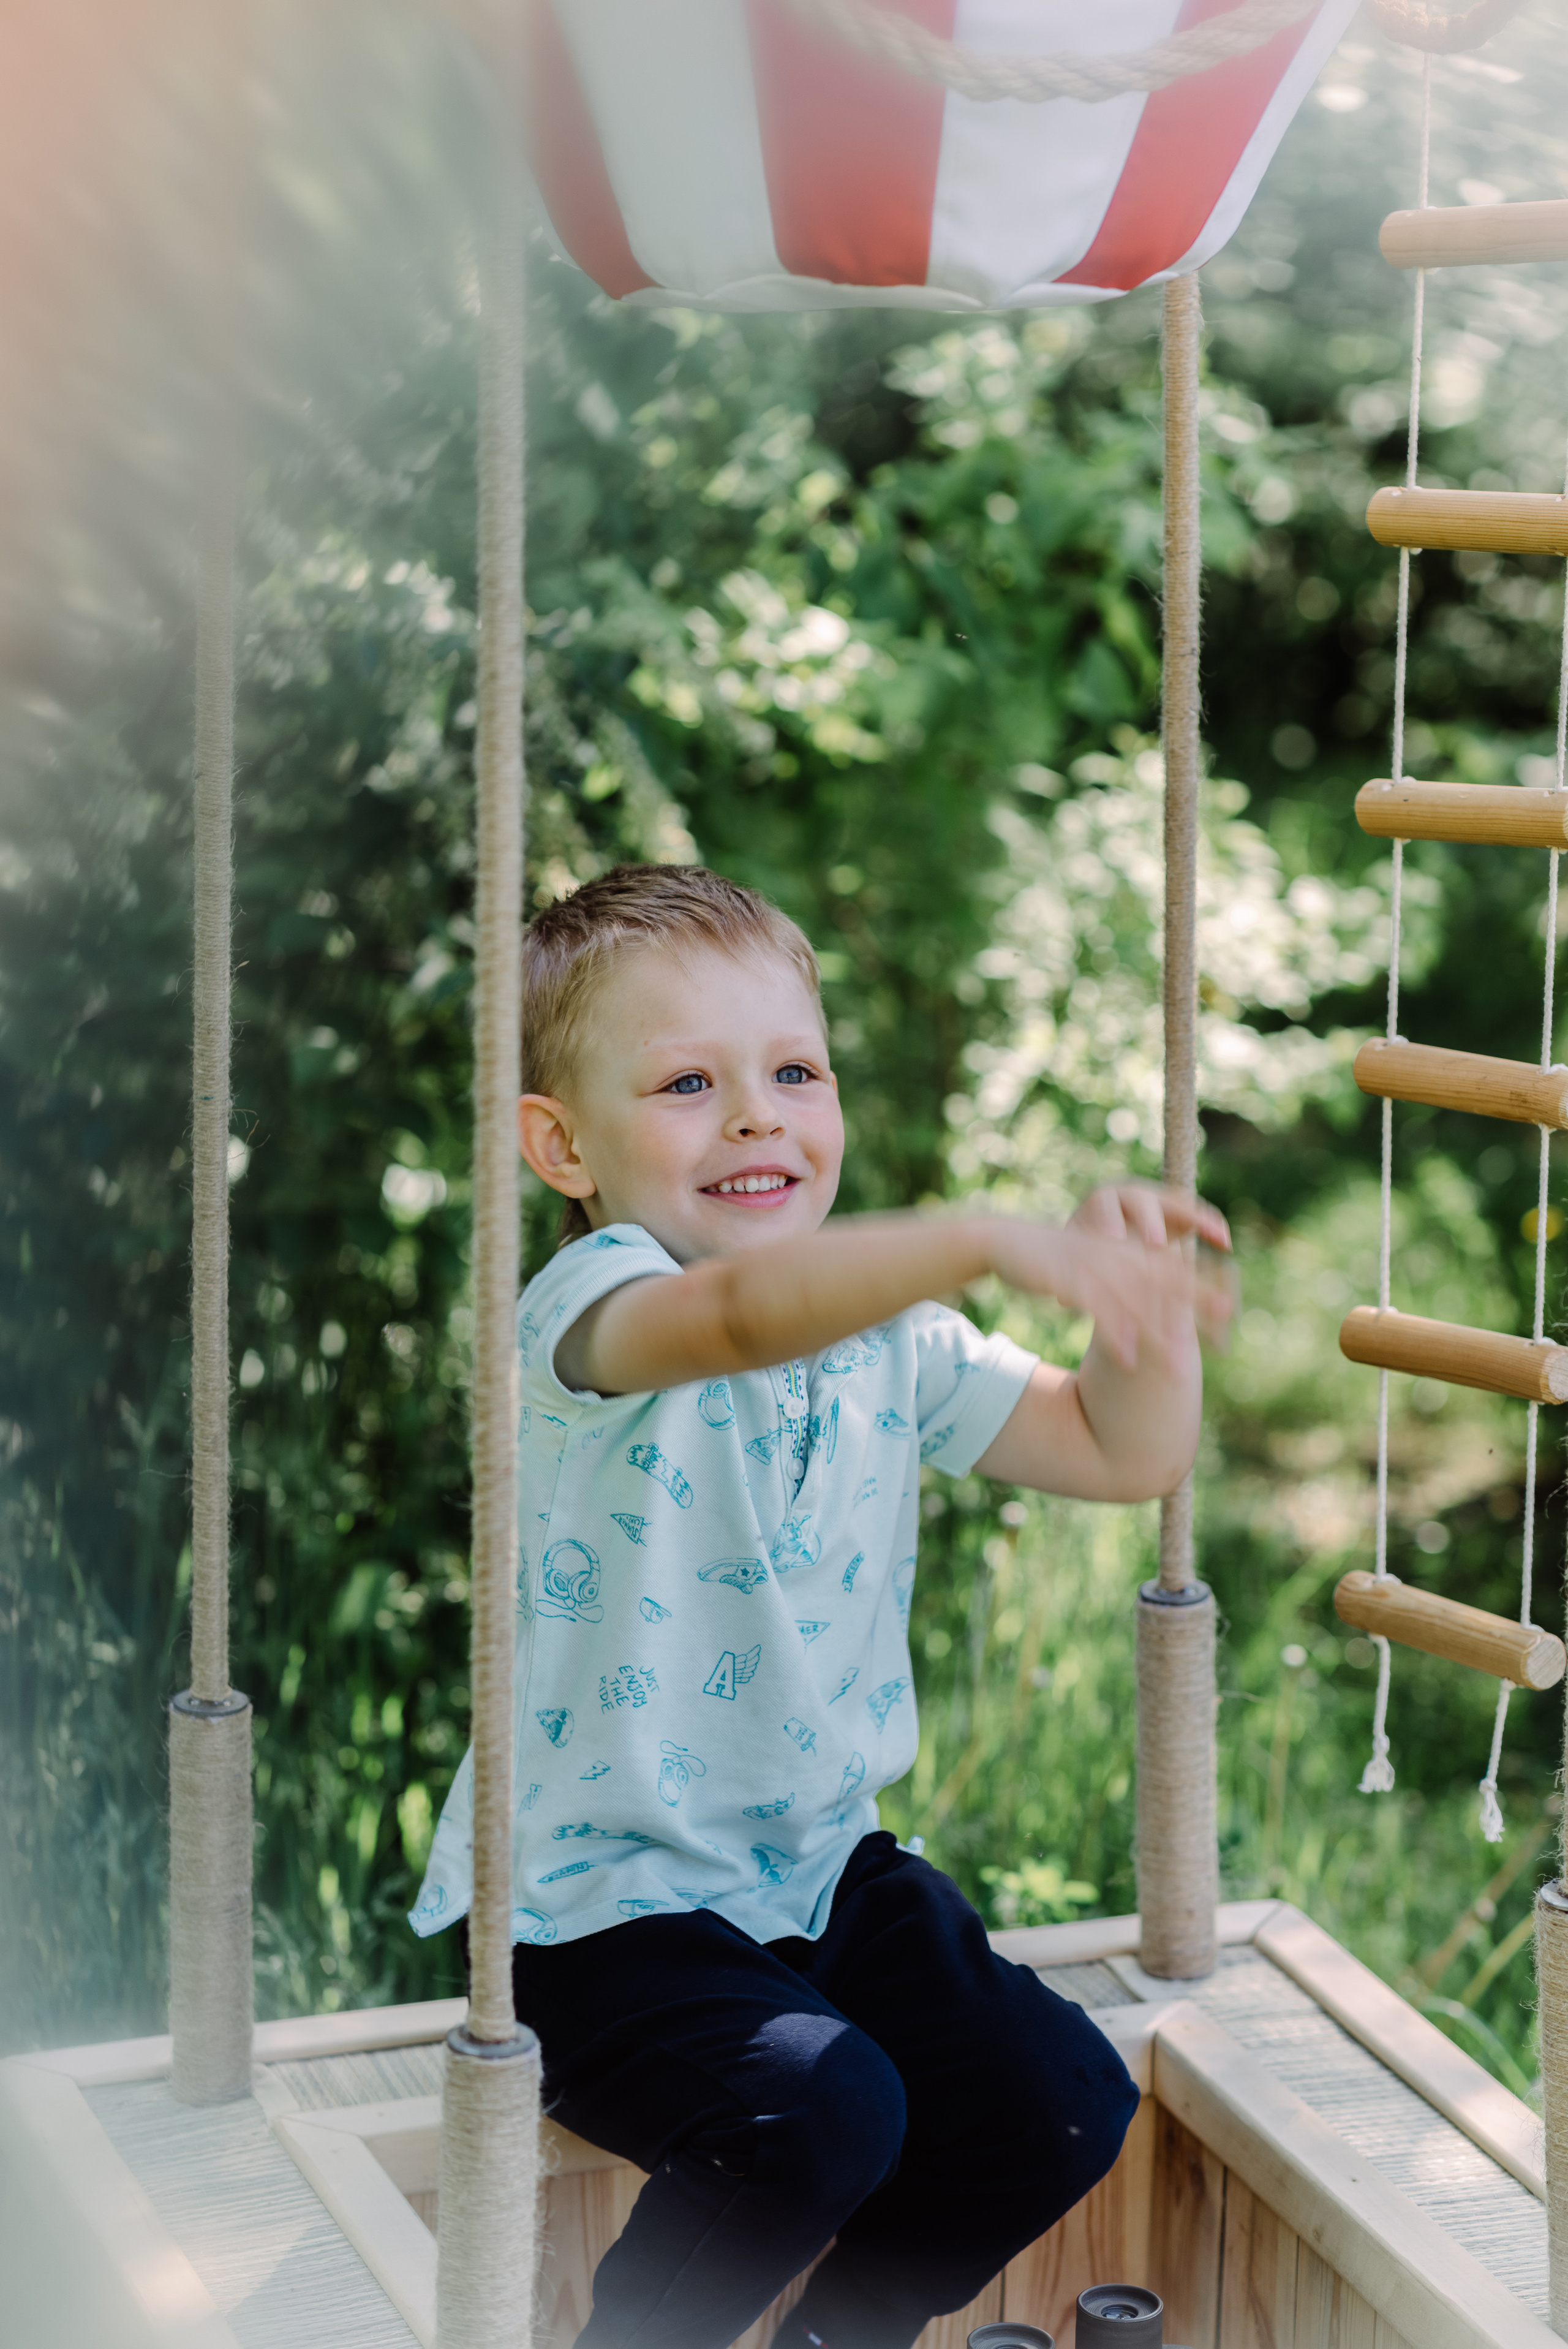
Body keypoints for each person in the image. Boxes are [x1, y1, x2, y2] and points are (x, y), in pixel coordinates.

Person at [410, 863, 1232, 2349]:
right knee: (813, 2106)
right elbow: (730, 1320)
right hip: (597, 1903)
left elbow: (1119, 1450)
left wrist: (1144, 1316)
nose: (756, 1117)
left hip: (813, 1868)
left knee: (1057, 2102)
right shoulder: (589, 1307)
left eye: (794, 1070)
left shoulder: (891, 1340)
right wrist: (984, 1231)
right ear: (561, 1145)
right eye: (685, 1083)